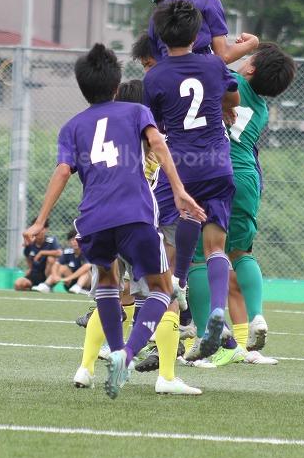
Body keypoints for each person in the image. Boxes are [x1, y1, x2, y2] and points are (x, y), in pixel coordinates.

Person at [26, 44, 205, 399]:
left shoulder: (72, 126)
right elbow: (159, 144)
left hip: (92, 220)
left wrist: (40, 220)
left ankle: (111, 348)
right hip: (134, 214)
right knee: (162, 288)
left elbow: (63, 171)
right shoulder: (137, 112)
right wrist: (181, 190)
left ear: (82, 86)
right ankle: (127, 351)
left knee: (108, 283)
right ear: (116, 83)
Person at [143, 0, 240, 360]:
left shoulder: (155, 77)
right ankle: (217, 309)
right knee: (216, 245)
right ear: (196, 33)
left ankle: (168, 323)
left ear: (161, 37)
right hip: (217, 161)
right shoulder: (214, 65)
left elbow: (152, 127)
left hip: (180, 166)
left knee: (167, 242)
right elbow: (232, 94)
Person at [189, 43, 297, 367]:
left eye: (248, 59)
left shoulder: (228, 80)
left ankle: (204, 335)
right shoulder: (261, 110)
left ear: (248, 69)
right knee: (241, 253)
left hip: (213, 169)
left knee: (199, 257)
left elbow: (215, 62)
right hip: (248, 177)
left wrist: (240, 45)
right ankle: (257, 316)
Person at [14, 222, 62, 292]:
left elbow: (59, 253)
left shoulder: (51, 240)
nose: (39, 232)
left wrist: (42, 253)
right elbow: (29, 261)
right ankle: (33, 288)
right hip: (34, 274)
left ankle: (47, 285)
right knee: (18, 284)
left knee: (51, 258)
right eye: (36, 229)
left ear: (46, 229)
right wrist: (28, 271)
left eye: (41, 229)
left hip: (46, 275)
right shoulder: (29, 243)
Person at [52, 228, 91, 294]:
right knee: (62, 267)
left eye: (77, 240)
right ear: (69, 242)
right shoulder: (67, 252)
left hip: (87, 284)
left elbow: (87, 266)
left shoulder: (87, 251)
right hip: (71, 283)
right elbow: (56, 264)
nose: (74, 242)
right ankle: (46, 285)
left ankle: (78, 287)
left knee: (86, 271)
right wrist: (55, 275)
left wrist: (67, 278)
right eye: (72, 240)